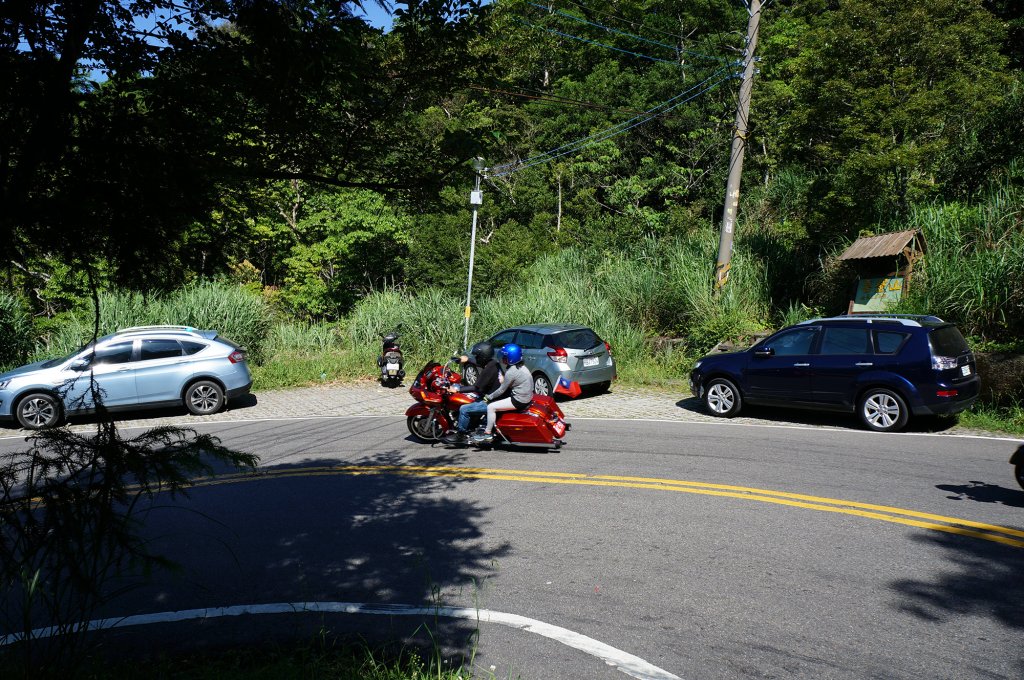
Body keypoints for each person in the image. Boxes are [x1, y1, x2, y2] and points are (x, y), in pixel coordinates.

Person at [471, 343, 533, 445]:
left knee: (491, 407)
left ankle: (487, 433)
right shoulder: (521, 366)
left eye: (505, 357)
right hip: (526, 396)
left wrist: (488, 397)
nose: (503, 358)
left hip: (519, 400)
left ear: (511, 358)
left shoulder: (511, 372)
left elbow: (501, 390)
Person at [441, 342, 500, 445]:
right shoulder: (493, 363)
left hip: (491, 401)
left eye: (477, 356)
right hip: (491, 396)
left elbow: (476, 387)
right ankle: (473, 424)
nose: (476, 358)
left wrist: (457, 389)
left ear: (483, 357)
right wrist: (467, 360)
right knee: (470, 398)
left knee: (464, 409)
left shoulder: (488, 371)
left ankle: (461, 435)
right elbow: (480, 363)